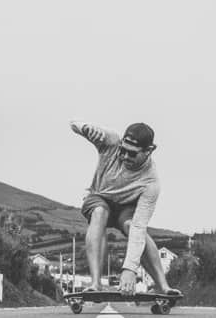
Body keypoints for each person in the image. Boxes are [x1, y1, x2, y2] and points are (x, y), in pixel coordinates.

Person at [70, 120, 181, 296]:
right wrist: (84, 128)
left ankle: (162, 285)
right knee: (99, 212)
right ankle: (96, 283)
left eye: (132, 154)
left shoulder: (151, 182)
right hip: (99, 196)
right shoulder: (111, 141)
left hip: (126, 207)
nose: (125, 157)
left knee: (132, 227)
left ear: (149, 151)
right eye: (123, 150)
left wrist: (130, 269)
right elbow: (73, 123)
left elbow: (138, 226)